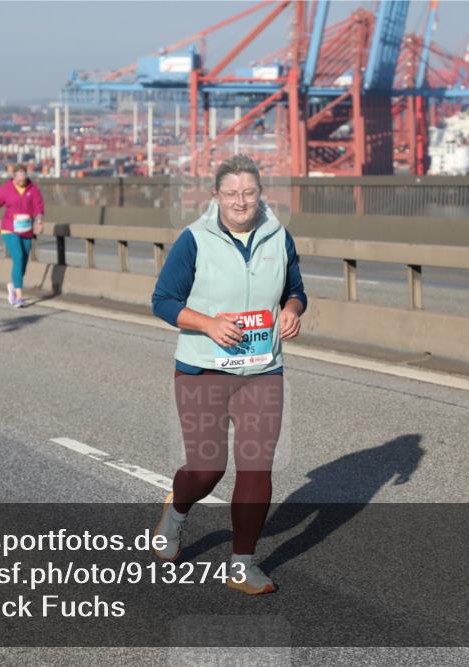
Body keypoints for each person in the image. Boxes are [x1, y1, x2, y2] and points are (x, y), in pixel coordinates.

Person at [150, 155, 307, 595]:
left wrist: (292, 311)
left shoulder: (279, 237)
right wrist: (209, 324)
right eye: (232, 193)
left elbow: (295, 290)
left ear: (261, 195)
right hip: (203, 370)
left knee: (257, 468)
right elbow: (163, 301)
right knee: (208, 469)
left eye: (250, 192)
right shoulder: (194, 240)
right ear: (216, 196)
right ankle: (177, 512)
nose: (242, 201)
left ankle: (241, 564)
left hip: (262, 371)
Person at [0, 165, 44, 307]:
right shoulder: (5, 189)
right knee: (18, 256)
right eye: (19, 180)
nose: (22, 182)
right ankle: (19, 297)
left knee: (23, 264)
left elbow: (39, 208)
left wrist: (39, 222)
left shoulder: (33, 189)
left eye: (24, 179)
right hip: (9, 229)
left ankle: (13, 286)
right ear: (14, 177)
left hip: (27, 230)